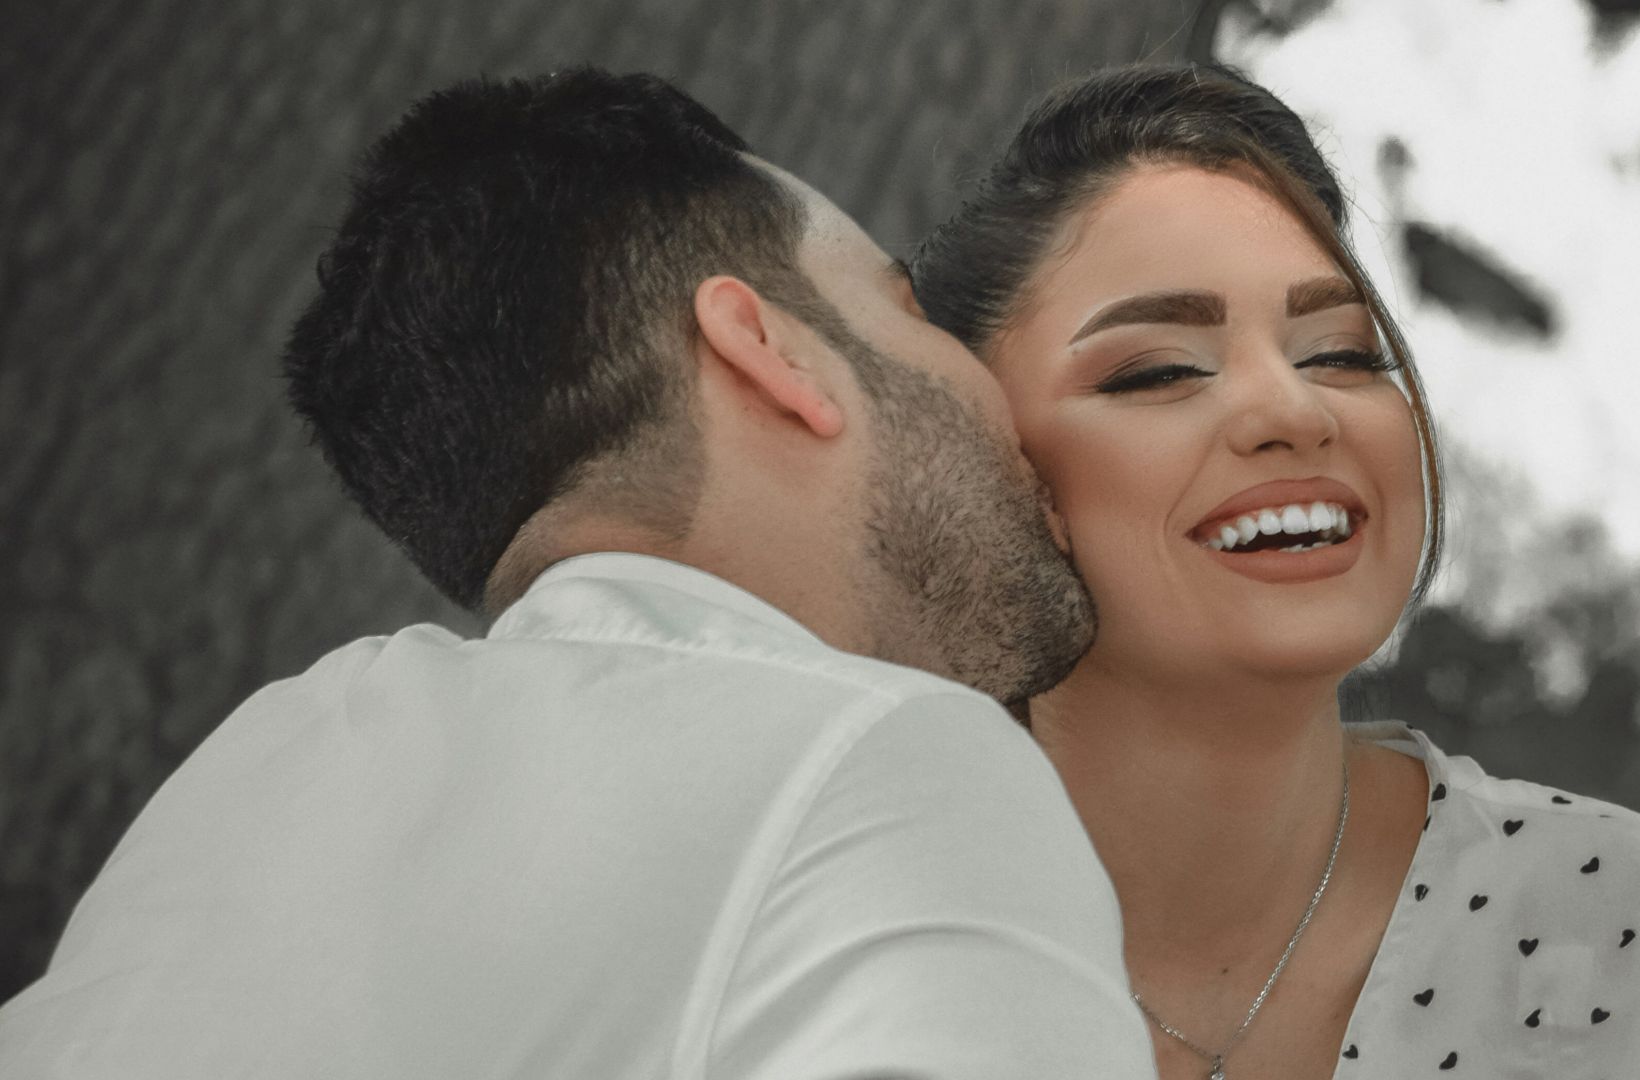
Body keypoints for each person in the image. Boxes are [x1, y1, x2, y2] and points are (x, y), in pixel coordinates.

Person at [0, 69, 1158, 1079]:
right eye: (907, 310)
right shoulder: (889, 757)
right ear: (770, 350)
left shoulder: (261, 767)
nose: (986, 386)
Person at [911, 63, 1640, 1080]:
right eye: (1161, 369)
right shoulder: (824, 930)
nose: (1295, 411)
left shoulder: (1615, 913)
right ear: (991, 461)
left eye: (1341, 353)